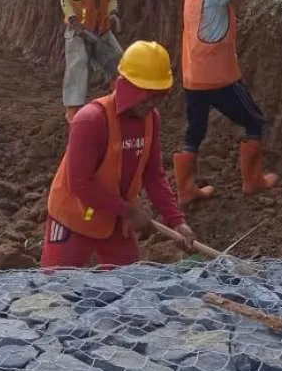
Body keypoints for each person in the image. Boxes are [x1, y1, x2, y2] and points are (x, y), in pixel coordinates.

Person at [41, 40, 197, 269]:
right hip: (73, 218)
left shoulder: (151, 120)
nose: (152, 103)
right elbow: (80, 182)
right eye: (147, 94)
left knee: (129, 288)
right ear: (127, 87)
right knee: (55, 292)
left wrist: (176, 221)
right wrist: (129, 210)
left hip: (113, 218)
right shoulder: (91, 120)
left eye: (158, 95)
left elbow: (153, 175)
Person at [173, 0, 278, 204]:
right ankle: (253, 181)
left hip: (192, 79)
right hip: (219, 78)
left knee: (194, 133)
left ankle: (186, 190)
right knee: (254, 122)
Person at [60, 0, 125, 122]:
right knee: (78, 66)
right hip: (78, 29)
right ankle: (74, 113)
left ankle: (121, 101)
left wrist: (113, 12)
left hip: (101, 28)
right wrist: (72, 19)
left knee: (119, 61)